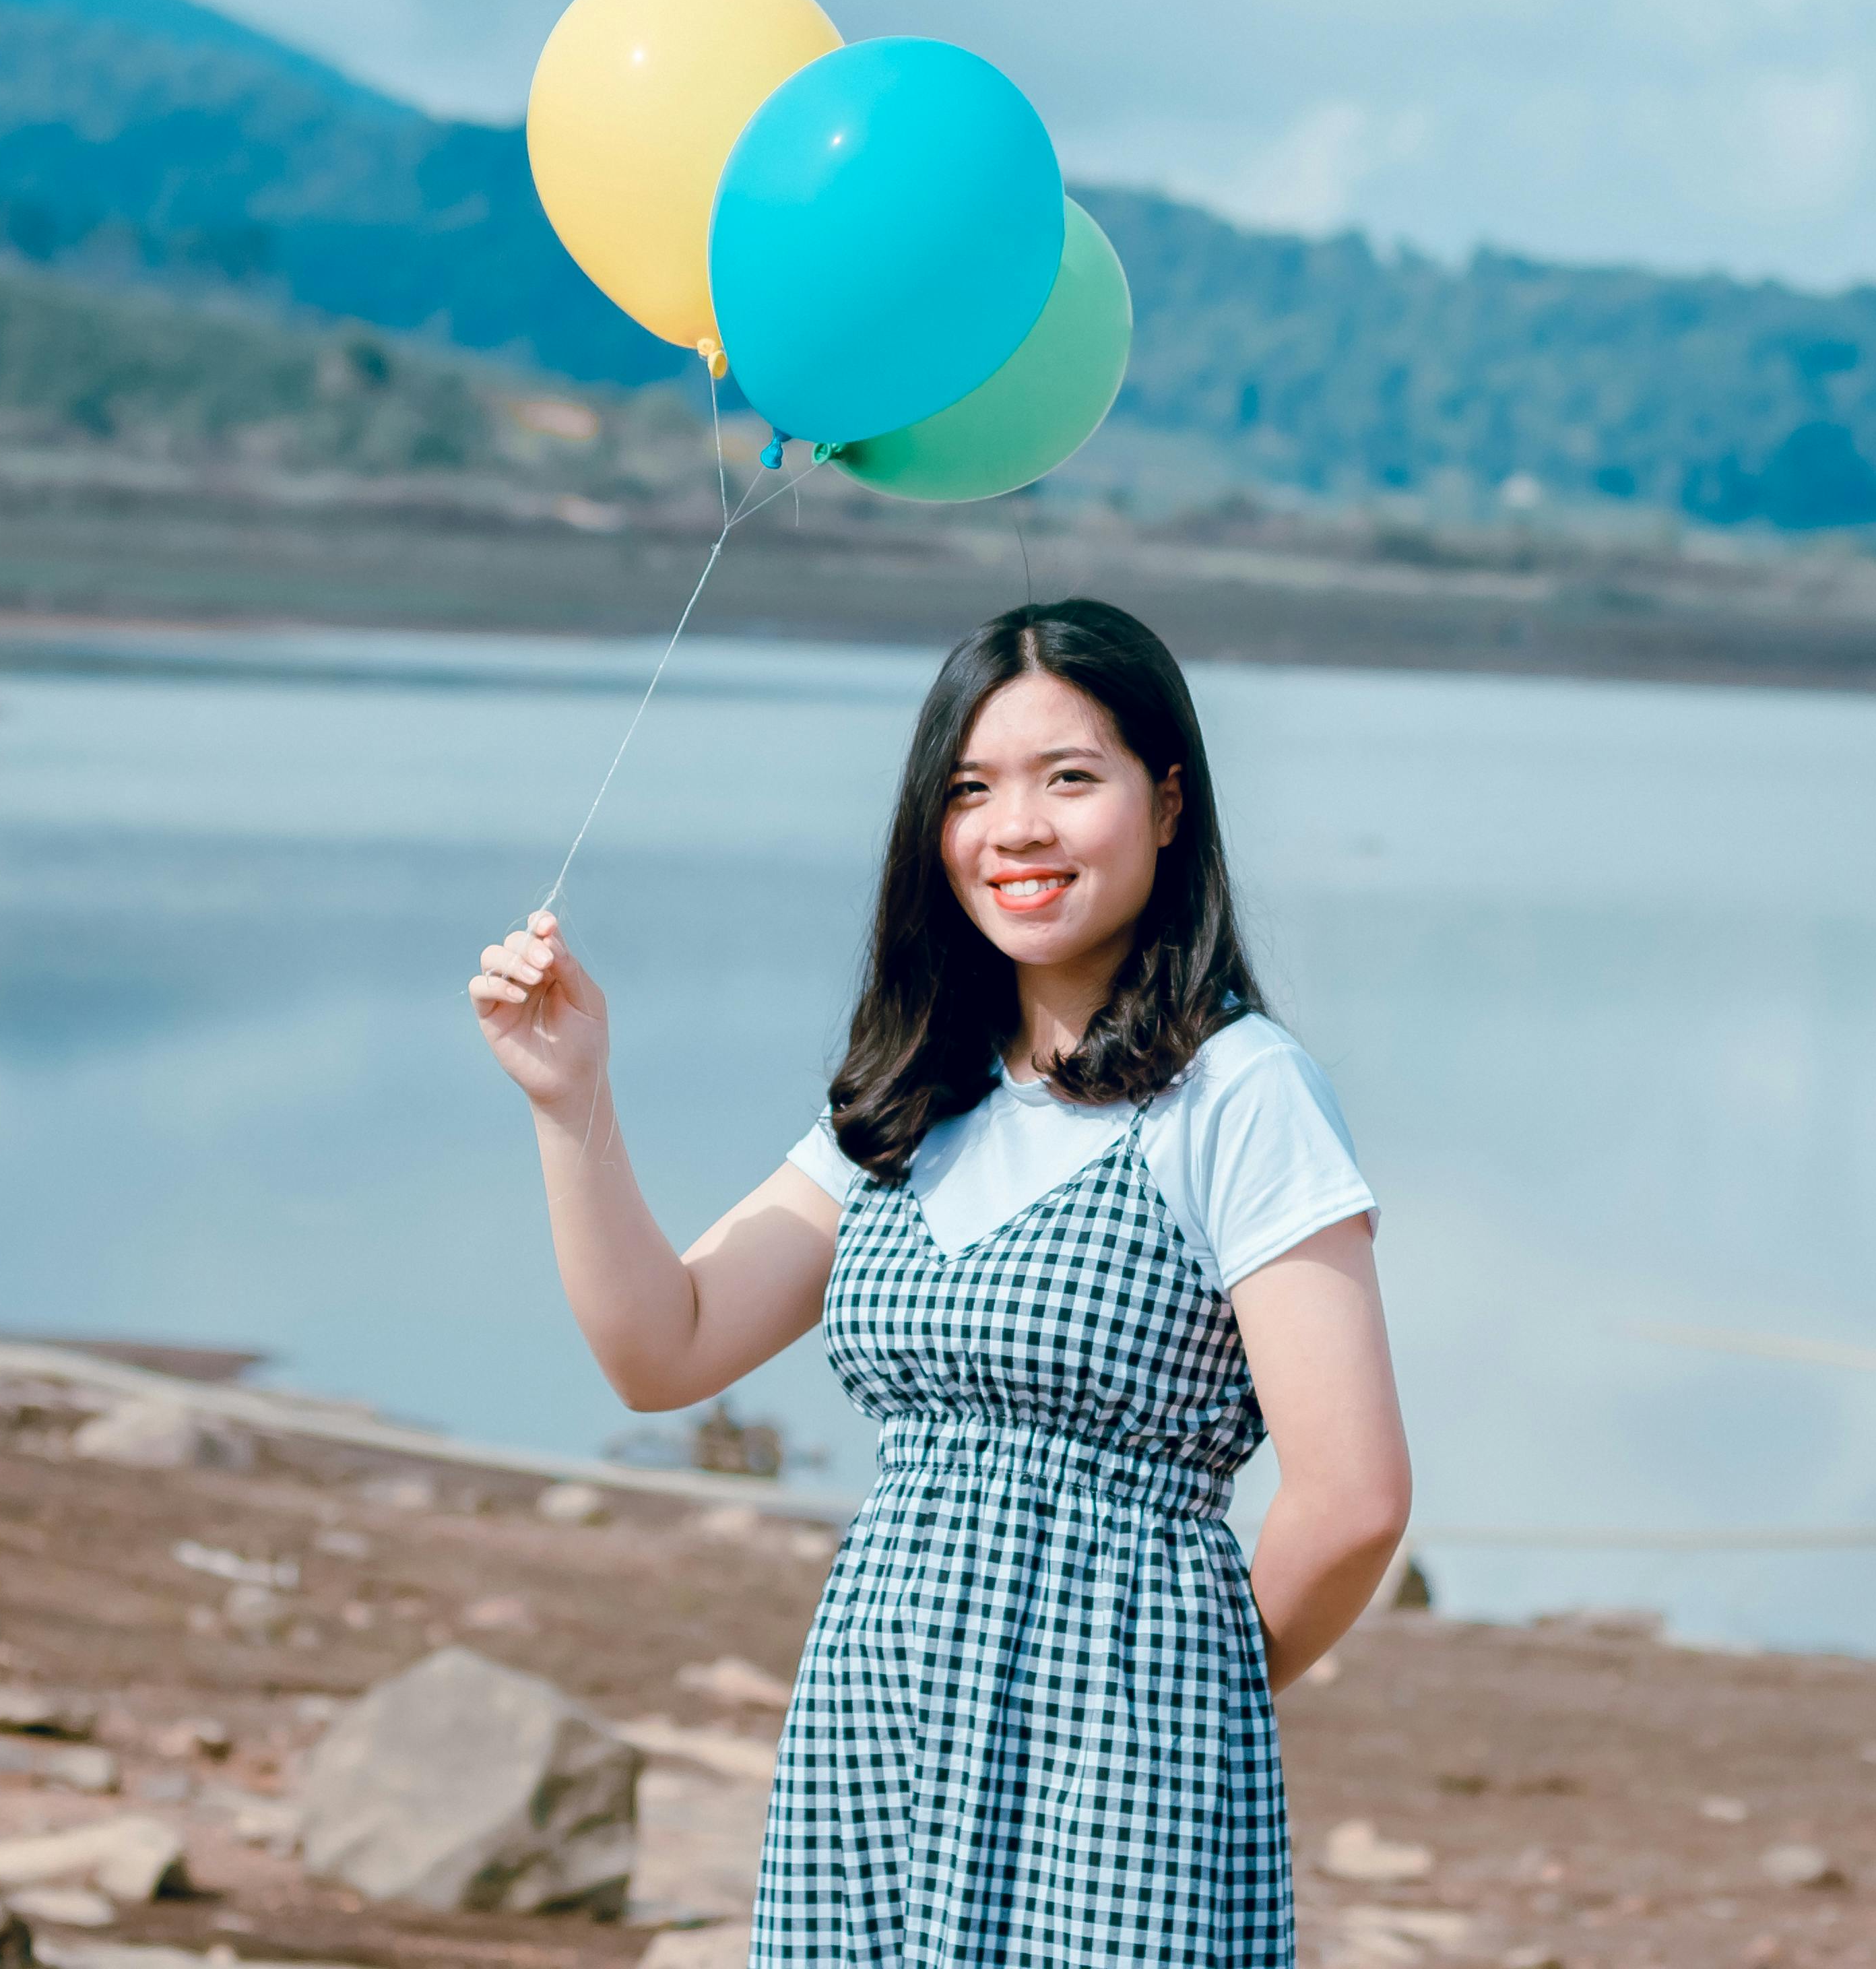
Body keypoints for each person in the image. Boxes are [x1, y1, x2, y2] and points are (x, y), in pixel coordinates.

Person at [469, 597, 1411, 1966]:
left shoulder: (1239, 1089)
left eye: (1068, 779)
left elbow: (1354, 1500)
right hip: (877, 1719)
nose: (1014, 830)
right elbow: (661, 1349)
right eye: (971, 791)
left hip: (1129, 1738)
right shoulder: (914, 1100)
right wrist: (571, 1102)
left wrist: (1183, 1693)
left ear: (1166, 803)